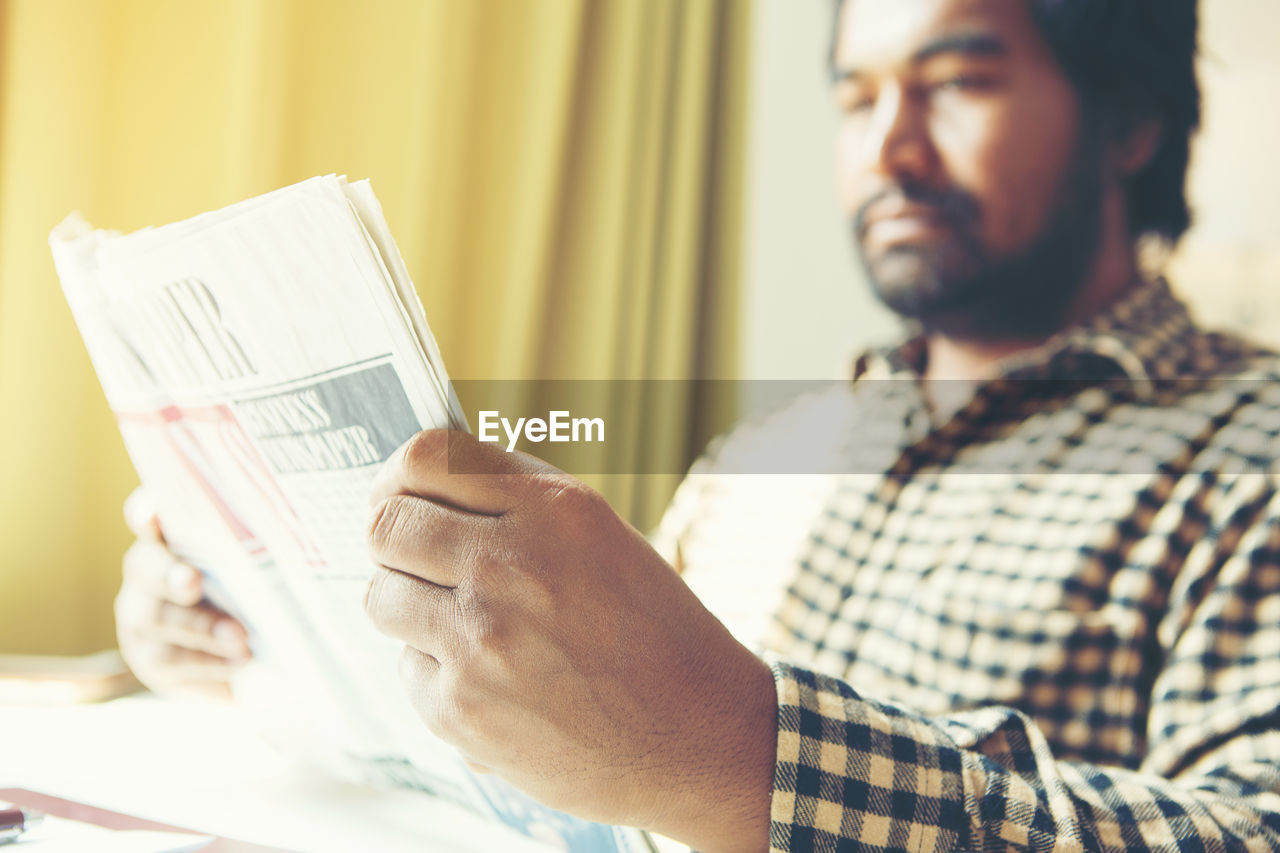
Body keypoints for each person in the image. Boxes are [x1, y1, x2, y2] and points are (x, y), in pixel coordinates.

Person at [118, 0, 1280, 850]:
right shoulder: (765, 451)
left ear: (1129, 127)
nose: (887, 148)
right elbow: (557, 710)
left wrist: (743, 755)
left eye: (957, 83)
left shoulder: (1247, 452)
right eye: (855, 95)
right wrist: (255, 635)